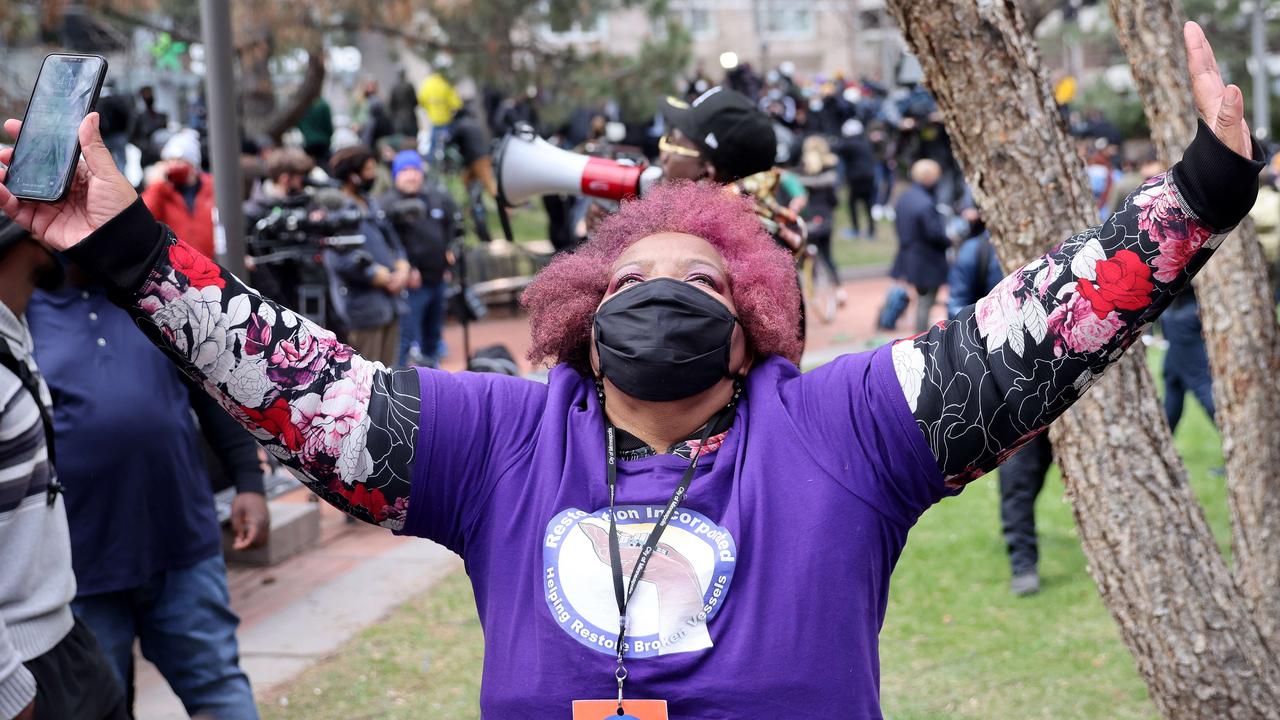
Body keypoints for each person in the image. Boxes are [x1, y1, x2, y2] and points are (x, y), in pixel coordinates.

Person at [0, 23, 1262, 718]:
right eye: (634, 281)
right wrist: (123, 243)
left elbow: (1036, 332)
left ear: (755, 323)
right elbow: (286, 374)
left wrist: (1199, 193)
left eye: (704, 285)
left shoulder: (842, 430)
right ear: (577, 314)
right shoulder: (496, 443)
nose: (666, 294)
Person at [26, 261, 268, 719]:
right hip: (81, 566)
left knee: (219, 691)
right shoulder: (22, 311)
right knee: (101, 709)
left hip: (180, 545)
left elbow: (213, 390)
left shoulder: (151, 294)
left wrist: (248, 481)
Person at [0, 215, 127, 720]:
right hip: (21, 669)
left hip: (62, 637)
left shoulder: (13, 329)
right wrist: (9, 687)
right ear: (32, 238)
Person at [946, 210, 1053, 595]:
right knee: (1018, 478)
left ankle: (1020, 528)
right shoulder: (976, 253)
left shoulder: (1051, 242)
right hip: (1008, 388)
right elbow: (957, 309)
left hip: (1062, 382)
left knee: (1041, 468)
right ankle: (1023, 561)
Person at [328, 146, 410, 365]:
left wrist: (402, 267)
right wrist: (376, 275)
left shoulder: (371, 202)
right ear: (353, 175)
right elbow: (338, 258)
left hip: (390, 304)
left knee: (390, 375)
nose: (373, 175)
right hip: (363, 309)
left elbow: (393, 240)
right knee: (367, 377)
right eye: (368, 170)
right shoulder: (336, 209)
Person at [378, 150, 460, 367]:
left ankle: (437, 385)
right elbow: (385, 244)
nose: (411, 175)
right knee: (404, 340)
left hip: (438, 280)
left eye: (415, 170)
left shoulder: (436, 197)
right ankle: (398, 388)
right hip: (411, 285)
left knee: (433, 339)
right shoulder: (386, 204)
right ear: (396, 175)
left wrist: (449, 260)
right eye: (405, 171)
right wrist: (407, 269)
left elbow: (451, 229)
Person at [894, 158, 950, 332]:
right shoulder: (925, 203)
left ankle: (921, 335)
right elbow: (934, 234)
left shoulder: (905, 197)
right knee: (926, 301)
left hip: (909, 255)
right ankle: (921, 338)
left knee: (922, 299)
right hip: (927, 259)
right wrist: (949, 241)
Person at [140, 129, 216, 259]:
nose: (173, 165)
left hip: (211, 264)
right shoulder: (161, 191)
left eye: (179, 161)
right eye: (169, 161)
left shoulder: (212, 187)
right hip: (177, 267)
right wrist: (156, 185)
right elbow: (143, 218)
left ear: (192, 164)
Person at [1161, 288, 1215, 432]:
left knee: (1202, 383)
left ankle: (1235, 431)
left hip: (1185, 311)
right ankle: (1161, 441)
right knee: (1174, 385)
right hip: (1175, 312)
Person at [835, 118, 878, 240]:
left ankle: (856, 230)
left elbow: (836, 148)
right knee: (868, 204)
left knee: (852, 203)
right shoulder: (866, 142)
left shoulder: (850, 144)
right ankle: (871, 231)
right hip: (870, 176)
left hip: (857, 178)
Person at [418, 70, 462, 160]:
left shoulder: (427, 84)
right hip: (446, 120)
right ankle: (447, 165)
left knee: (433, 144)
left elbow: (421, 100)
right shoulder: (446, 83)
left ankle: (431, 164)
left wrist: (429, 108)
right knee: (448, 144)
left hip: (434, 120)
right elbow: (457, 104)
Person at [297, 97, 334, 168]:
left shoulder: (302, 106)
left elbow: (299, 124)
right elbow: (328, 126)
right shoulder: (323, 105)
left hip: (308, 142)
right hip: (323, 143)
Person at [389, 69, 420, 140]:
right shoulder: (409, 86)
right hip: (410, 119)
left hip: (399, 121)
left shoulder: (394, 87)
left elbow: (391, 106)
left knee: (402, 142)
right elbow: (415, 102)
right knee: (412, 141)